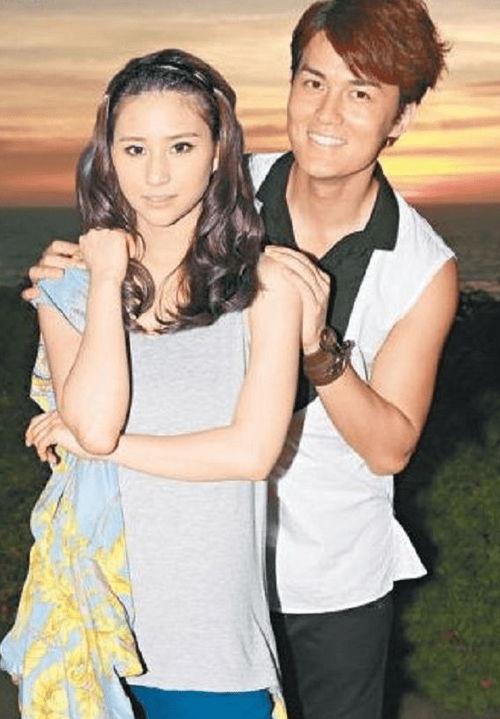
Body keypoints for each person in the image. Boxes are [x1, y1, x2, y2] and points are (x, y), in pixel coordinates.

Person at [21, 1, 459, 718]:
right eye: (313, 82)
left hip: (325, 574)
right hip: (184, 567)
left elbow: (390, 447)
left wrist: (317, 348)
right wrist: (73, 274)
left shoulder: (420, 266)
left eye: (361, 93)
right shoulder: (216, 181)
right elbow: (133, 221)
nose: (327, 112)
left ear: (400, 117)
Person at [1, 48, 301, 719]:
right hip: (92, 629)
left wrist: (103, 448)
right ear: (108, 156)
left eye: (181, 146)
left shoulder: (267, 285)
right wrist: (106, 277)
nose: (156, 175)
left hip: (213, 641)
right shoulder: (69, 286)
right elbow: (95, 421)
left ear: (219, 151)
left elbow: (251, 452)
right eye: (134, 149)